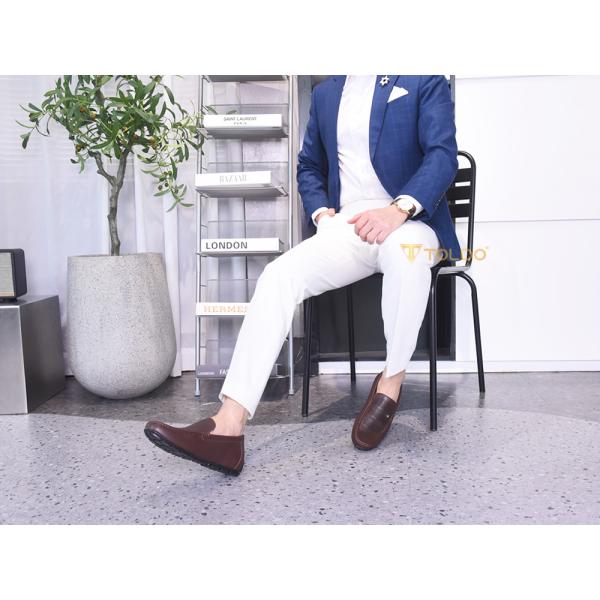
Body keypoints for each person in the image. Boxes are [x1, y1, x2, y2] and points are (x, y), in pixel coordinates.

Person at [144, 75, 461, 476]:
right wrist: (321, 213)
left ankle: (390, 383)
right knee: (279, 275)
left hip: (408, 220)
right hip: (348, 226)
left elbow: (442, 155)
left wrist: (397, 210)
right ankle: (228, 426)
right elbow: (309, 164)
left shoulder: (421, 78)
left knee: (407, 258)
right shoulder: (326, 93)